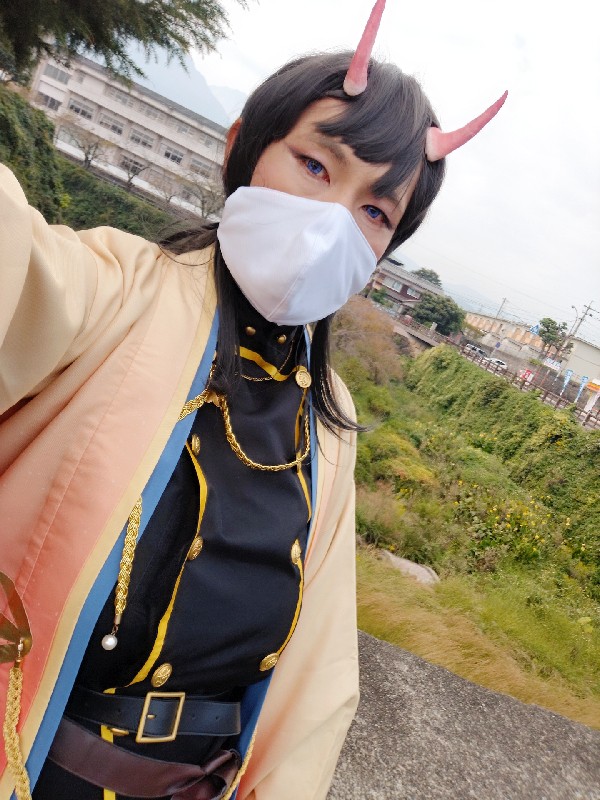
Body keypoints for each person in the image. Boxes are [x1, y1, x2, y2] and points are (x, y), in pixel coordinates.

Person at [0, 1, 506, 798]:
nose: (333, 221)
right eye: (316, 166)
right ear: (242, 146)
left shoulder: (331, 426)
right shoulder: (111, 288)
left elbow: (319, 680)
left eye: (376, 211)